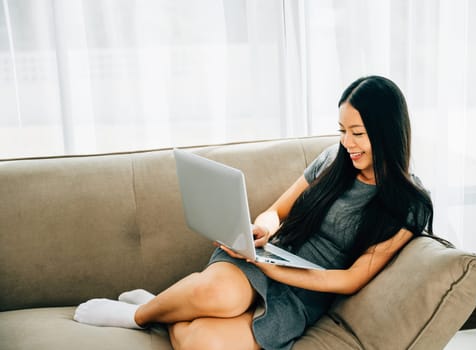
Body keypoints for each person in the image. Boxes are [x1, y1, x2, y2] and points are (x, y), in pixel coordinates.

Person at [73, 75, 434, 350]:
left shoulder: (409, 205)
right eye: (342, 130)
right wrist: (261, 231)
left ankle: (161, 307)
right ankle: (137, 317)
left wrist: (276, 270)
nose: (346, 143)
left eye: (357, 133)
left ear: (387, 133)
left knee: (202, 342)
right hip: (270, 253)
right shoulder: (332, 161)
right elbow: (277, 211)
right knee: (223, 297)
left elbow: (350, 279)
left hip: (305, 290)